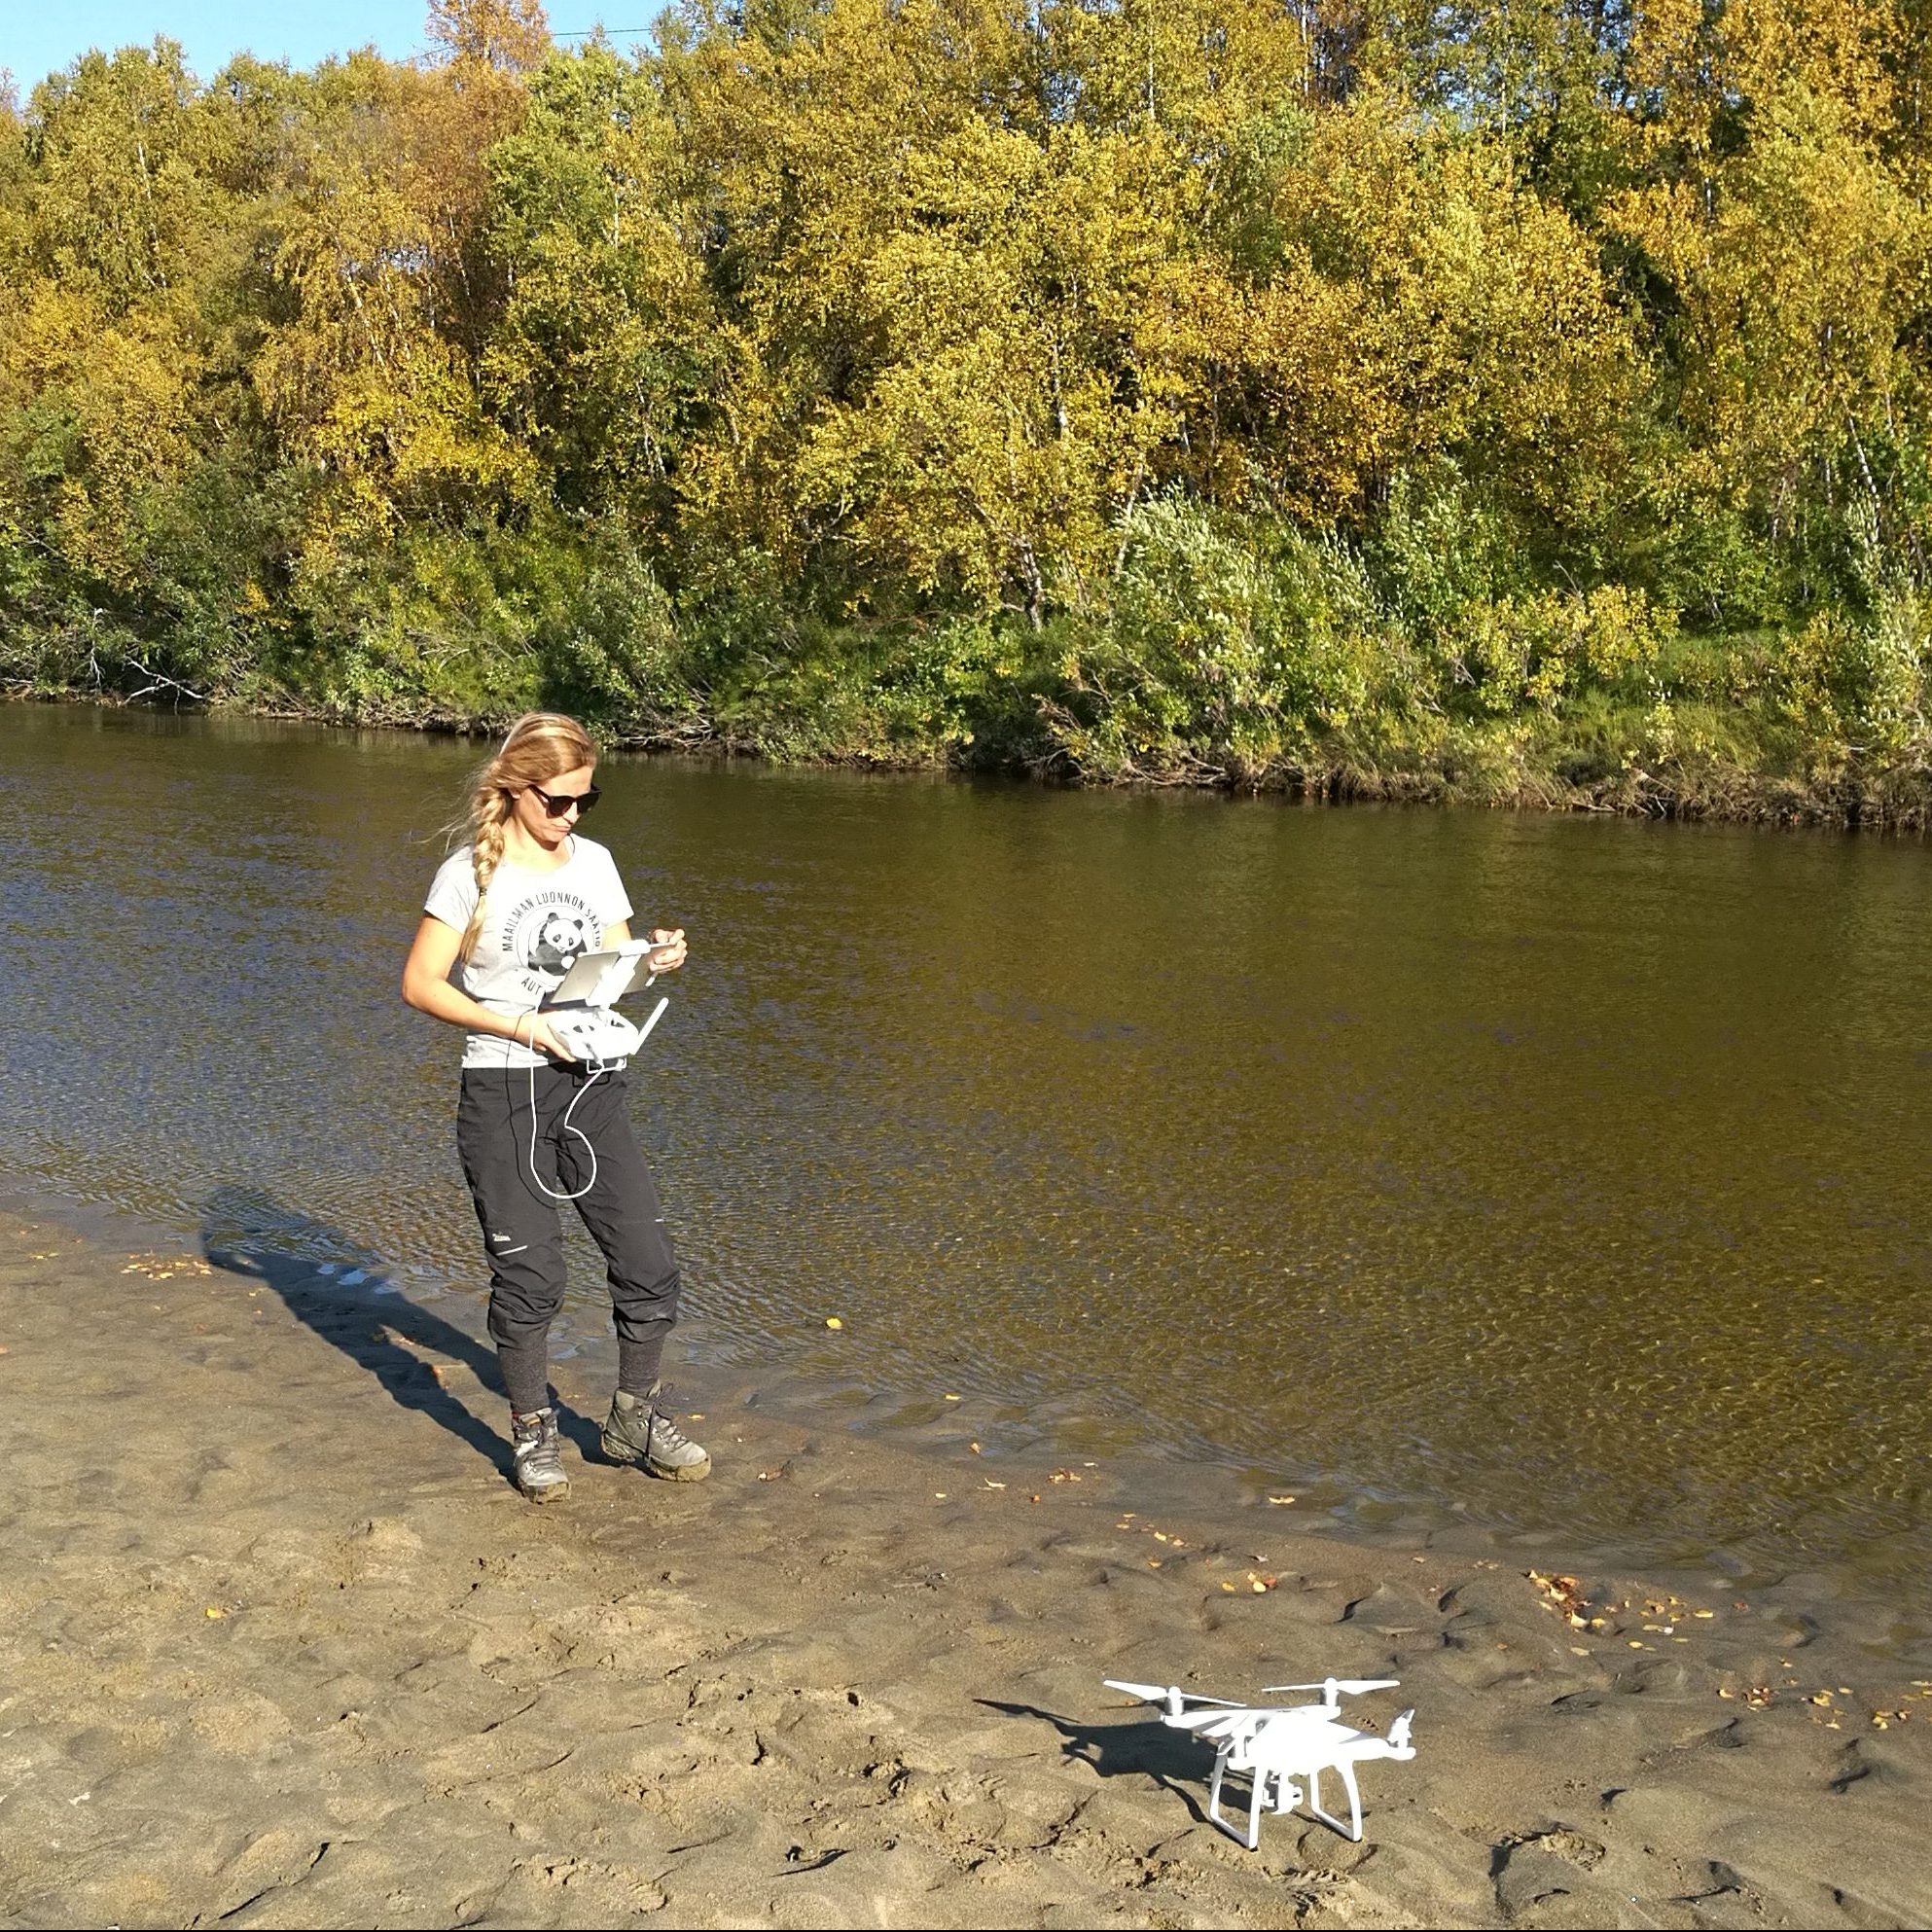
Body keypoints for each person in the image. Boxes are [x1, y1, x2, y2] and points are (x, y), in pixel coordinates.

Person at [401, 711, 710, 1501]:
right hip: (505, 1088)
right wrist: (522, 1026)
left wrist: (655, 961)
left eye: (586, 800)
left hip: (596, 1086)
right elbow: (421, 986)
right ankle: (533, 1430)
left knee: (649, 1264)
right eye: (559, 801)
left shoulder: (597, 864)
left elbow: (613, 971)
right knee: (532, 1275)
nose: (572, 816)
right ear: (515, 788)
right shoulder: (468, 874)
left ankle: (633, 1417)